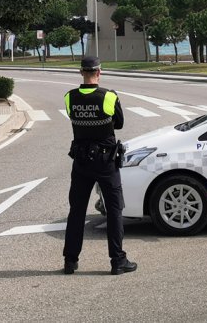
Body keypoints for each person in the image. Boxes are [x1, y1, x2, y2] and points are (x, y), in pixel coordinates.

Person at [63, 55, 137, 275]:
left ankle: (70, 261)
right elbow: (120, 124)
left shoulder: (70, 97)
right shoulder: (109, 97)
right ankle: (117, 261)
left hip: (81, 161)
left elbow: (73, 118)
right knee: (114, 209)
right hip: (106, 161)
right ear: (99, 72)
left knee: (76, 211)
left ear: (81, 72)